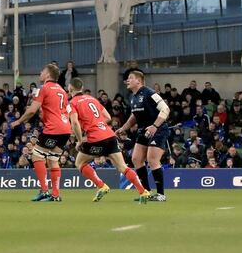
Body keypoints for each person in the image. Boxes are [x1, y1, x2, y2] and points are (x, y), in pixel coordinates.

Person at [67, 78, 150, 204]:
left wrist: (79, 140)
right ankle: (143, 191)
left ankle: (101, 186)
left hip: (96, 139)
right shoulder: (93, 99)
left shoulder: (72, 103)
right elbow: (108, 117)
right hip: (109, 135)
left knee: (80, 162)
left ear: (70, 88)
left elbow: (74, 122)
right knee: (122, 167)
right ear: (82, 88)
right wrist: (97, 124)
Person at [10, 63, 71, 202]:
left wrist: (18, 121)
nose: (40, 72)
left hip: (53, 128)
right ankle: (55, 194)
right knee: (53, 160)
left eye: (42, 71)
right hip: (65, 128)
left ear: (48, 75)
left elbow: (32, 110)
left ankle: (44, 191)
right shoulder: (62, 90)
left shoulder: (44, 88)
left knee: (36, 156)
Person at [116, 70, 172, 202]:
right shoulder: (133, 97)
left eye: (130, 78)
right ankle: (146, 192)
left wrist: (155, 126)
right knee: (136, 159)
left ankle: (160, 194)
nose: (127, 81)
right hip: (143, 130)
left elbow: (166, 109)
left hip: (158, 129)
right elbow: (134, 116)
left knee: (152, 159)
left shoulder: (150, 93)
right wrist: (123, 128)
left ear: (138, 81)